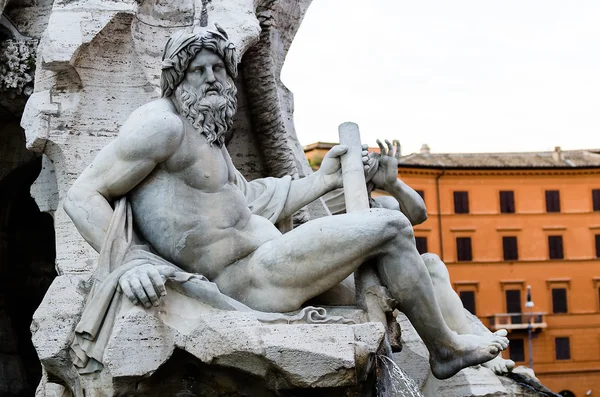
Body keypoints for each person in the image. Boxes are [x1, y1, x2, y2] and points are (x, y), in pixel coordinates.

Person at [64, 23, 507, 380]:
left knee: (424, 266)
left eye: (219, 68)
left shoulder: (209, 134)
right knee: (389, 228)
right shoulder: (161, 126)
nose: (211, 79)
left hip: (273, 262)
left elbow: (254, 200)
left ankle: (490, 366)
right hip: (247, 280)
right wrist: (132, 261)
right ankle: (444, 350)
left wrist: (323, 180)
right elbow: (82, 195)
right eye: (198, 70)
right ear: (176, 79)